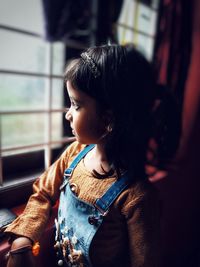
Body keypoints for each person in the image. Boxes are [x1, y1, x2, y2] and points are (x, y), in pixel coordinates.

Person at [5, 44, 181, 267]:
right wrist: (24, 236)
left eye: (76, 105)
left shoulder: (136, 197)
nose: (68, 114)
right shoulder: (75, 154)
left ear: (108, 120)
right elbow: (43, 193)